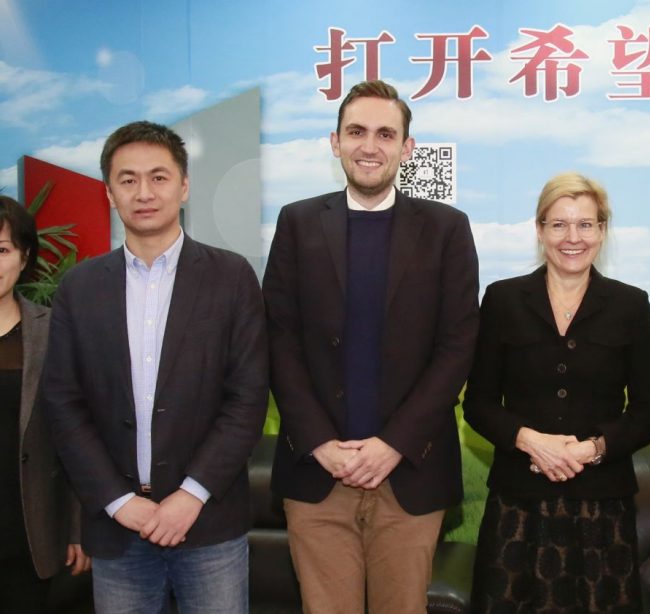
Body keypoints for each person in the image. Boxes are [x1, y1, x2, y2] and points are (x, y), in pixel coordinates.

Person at [263, 79, 479, 614]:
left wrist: (392, 445)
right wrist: (320, 443)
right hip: (317, 473)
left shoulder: (447, 229)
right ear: (334, 141)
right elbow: (278, 340)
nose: (369, 145)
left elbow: (457, 349)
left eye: (386, 134)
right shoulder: (296, 223)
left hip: (409, 472)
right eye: (356, 131)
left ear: (407, 148)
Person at [40, 121, 269, 612]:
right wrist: (119, 502)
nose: (144, 192)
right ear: (109, 193)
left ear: (184, 187)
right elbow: (63, 404)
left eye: (159, 177)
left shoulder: (231, 278)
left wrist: (191, 494)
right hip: (118, 531)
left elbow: (247, 398)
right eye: (128, 180)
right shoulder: (80, 289)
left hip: (208, 524)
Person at [463, 172, 650, 613]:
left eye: (585, 224)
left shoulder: (630, 305)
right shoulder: (503, 299)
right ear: (539, 230)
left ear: (602, 231)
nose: (572, 237)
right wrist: (529, 440)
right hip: (519, 503)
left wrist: (592, 449)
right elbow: (478, 405)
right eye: (558, 224)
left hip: (602, 506)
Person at [0, 195, 89, 611]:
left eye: (1, 250)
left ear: (24, 256)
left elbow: (75, 436)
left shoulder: (52, 332)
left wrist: (77, 528)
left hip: (28, 531)